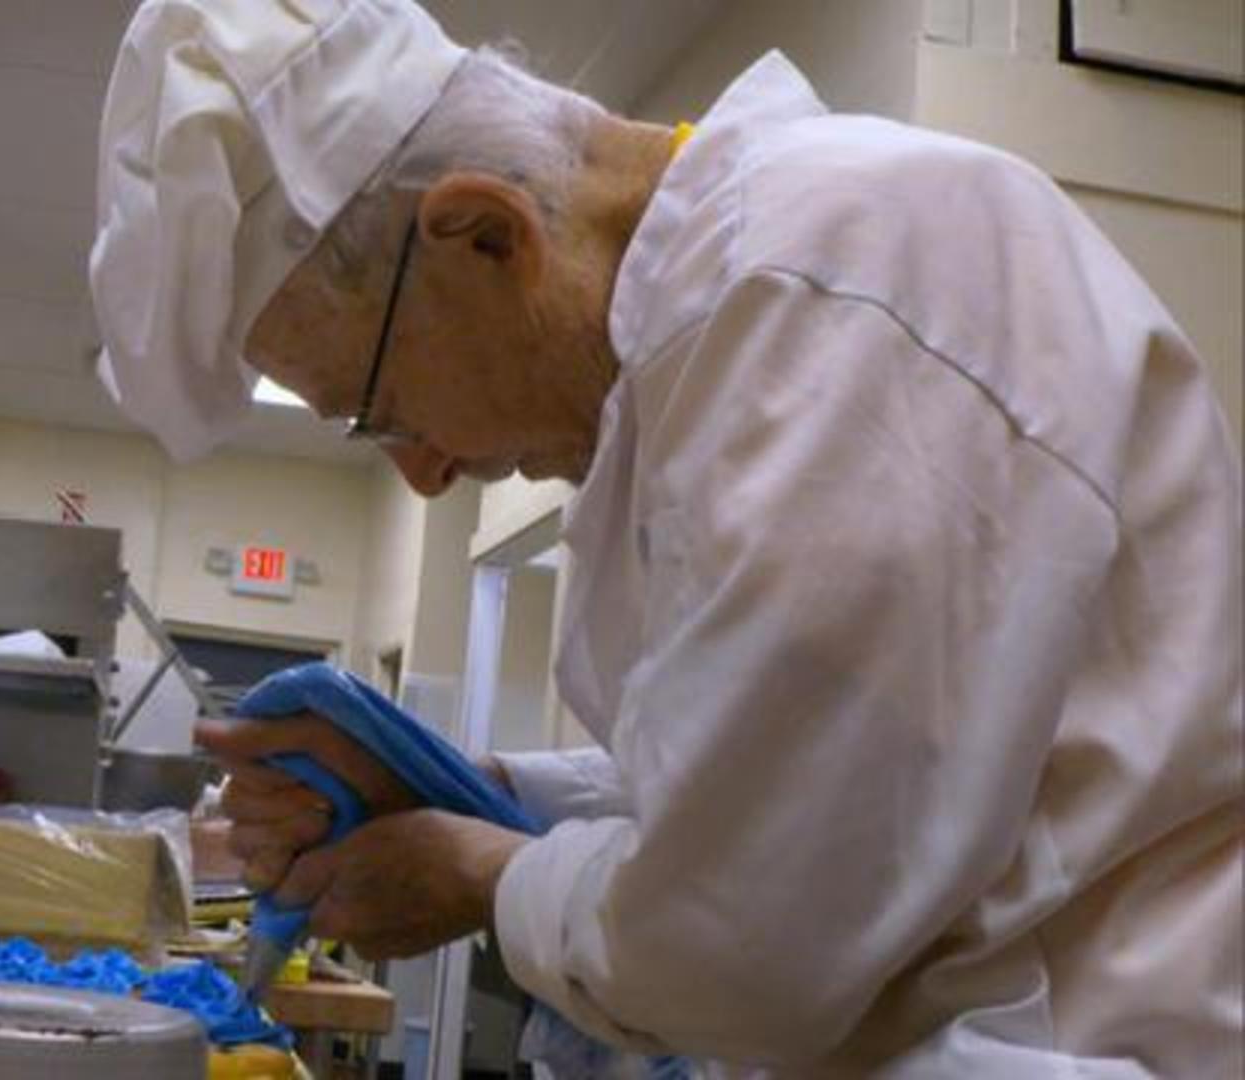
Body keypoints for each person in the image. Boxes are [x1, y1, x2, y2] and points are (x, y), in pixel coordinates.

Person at [88, 1, 1243, 1075]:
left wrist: (475, 874)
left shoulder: (826, 293)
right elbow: (793, 774)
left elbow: (744, 942)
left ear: (484, 235)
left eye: (377, 408)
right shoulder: (721, 342)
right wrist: (459, 785)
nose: (425, 472)